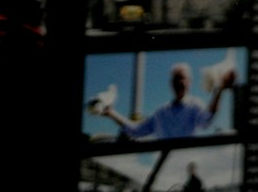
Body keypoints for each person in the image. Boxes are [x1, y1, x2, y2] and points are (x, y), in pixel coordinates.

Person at [96, 60, 235, 141]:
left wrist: (219, 90)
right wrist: (111, 113)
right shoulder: (160, 112)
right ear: (171, 84)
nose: (180, 82)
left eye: (183, 78)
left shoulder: (195, 105)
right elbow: (136, 130)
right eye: (176, 79)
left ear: (189, 83)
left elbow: (206, 121)